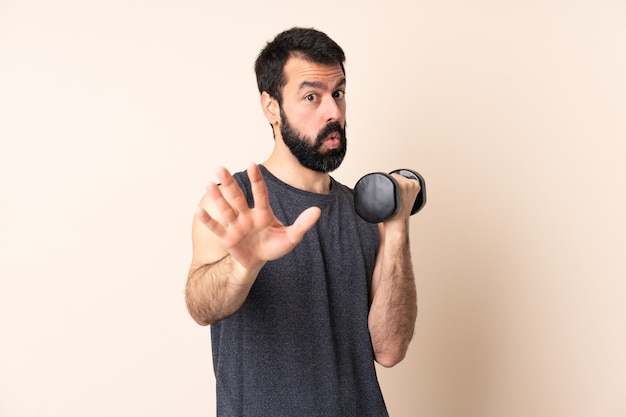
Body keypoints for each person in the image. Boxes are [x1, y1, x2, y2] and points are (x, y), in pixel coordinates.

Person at [185, 27, 420, 417]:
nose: (333, 112)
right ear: (271, 107)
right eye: (311, 96)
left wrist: (396, 226)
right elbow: (200, 307)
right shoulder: (233, 203)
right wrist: (245, 263)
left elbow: (390, 349)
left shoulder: (367, 214)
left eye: (338, 94)